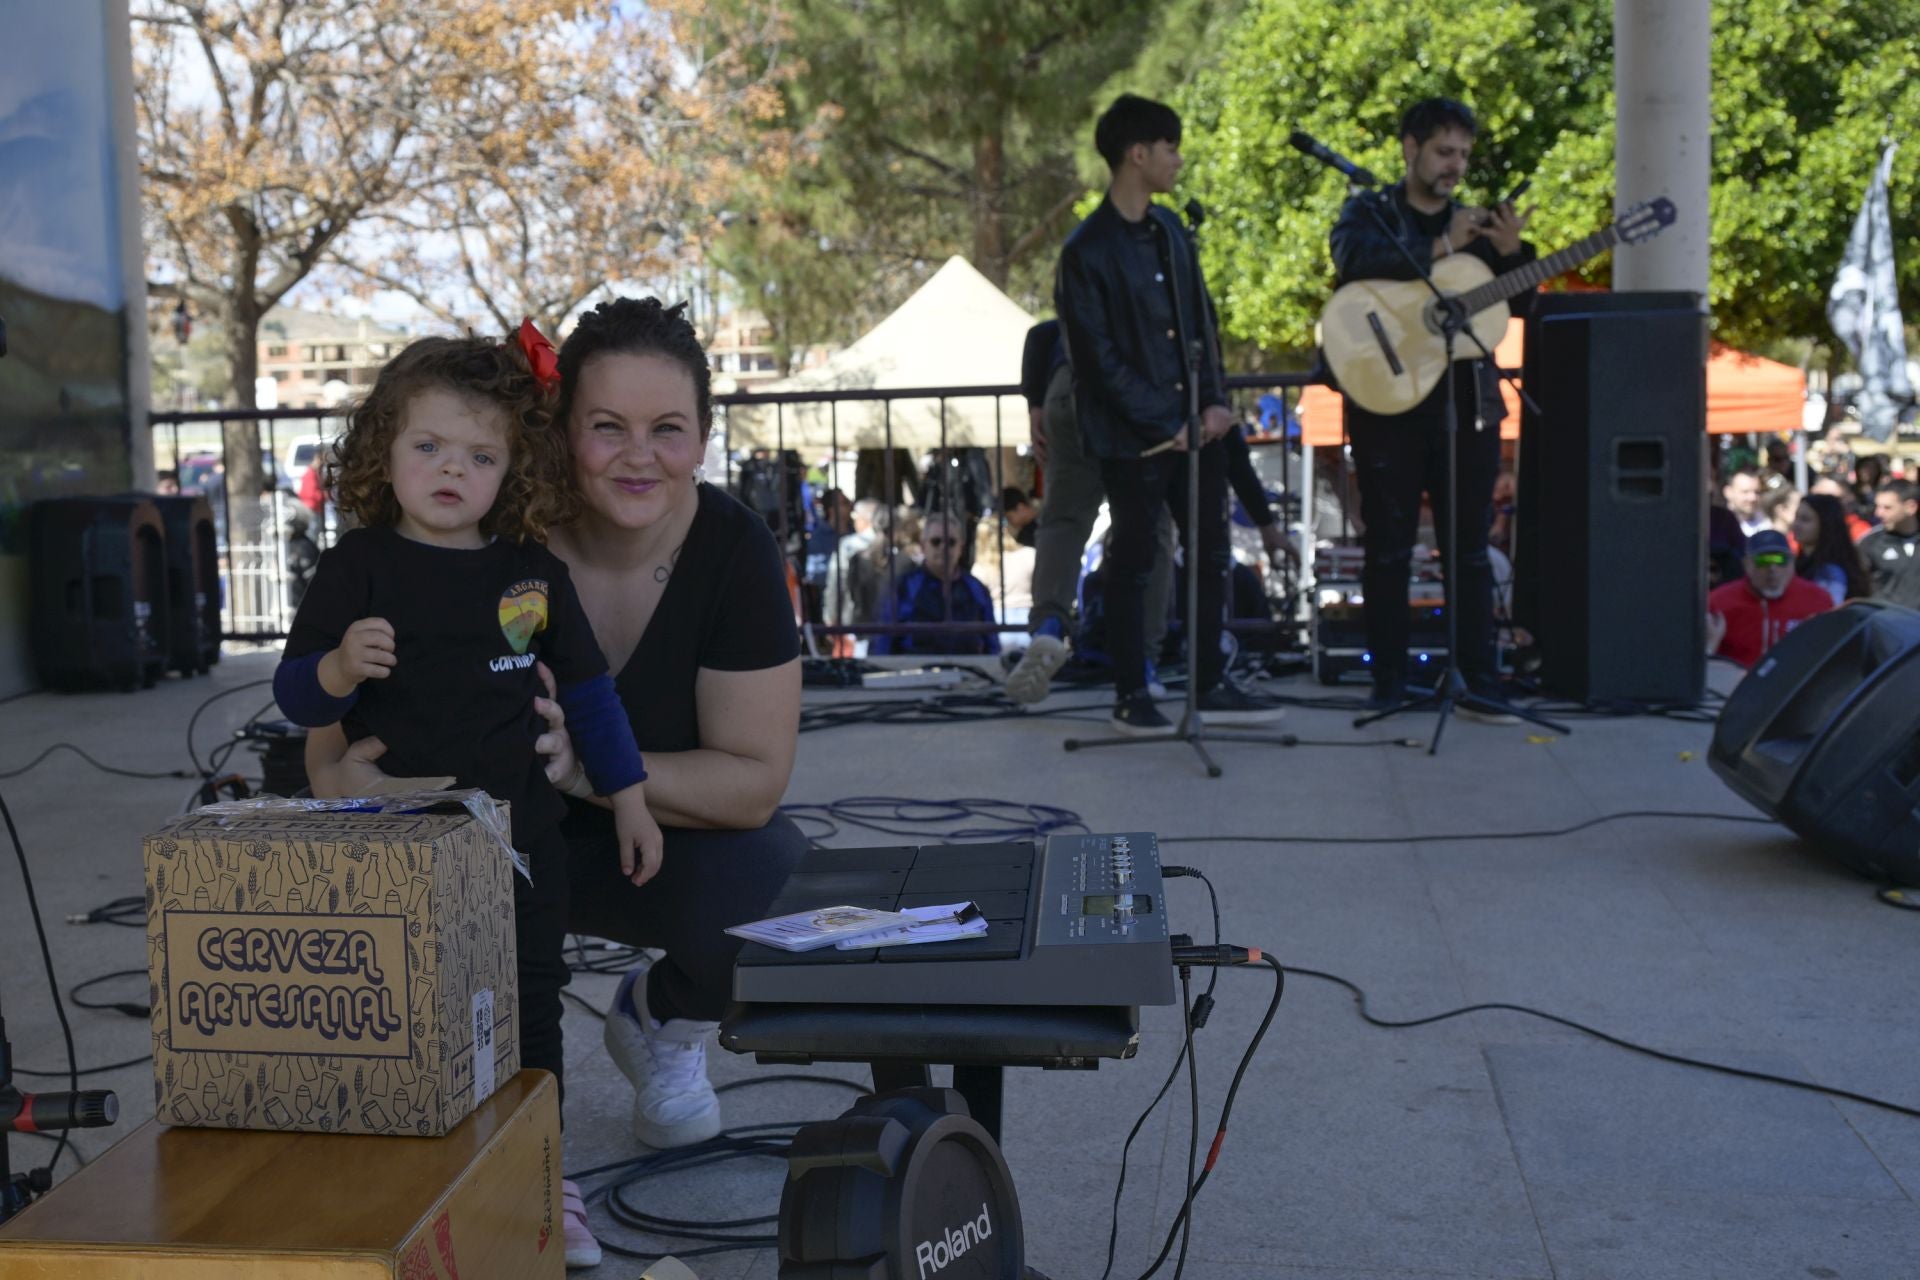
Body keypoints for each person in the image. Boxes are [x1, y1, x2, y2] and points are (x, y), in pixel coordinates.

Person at [305, 298, 807, 1269]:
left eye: (668, 429)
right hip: (471, 821)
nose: (637, 454)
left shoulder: (735, 551)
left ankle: (657, 1020)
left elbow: (753, 783)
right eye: (606, 426)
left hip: (624, 830)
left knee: (776, 883)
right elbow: (344, 656)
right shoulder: (485, 519)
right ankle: (444, 1165)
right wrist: (329, 767)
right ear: (560, 430)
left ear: (702, 435)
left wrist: (593, 772)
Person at [273, 330, 665, 1266]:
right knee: (406, 1014)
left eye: (481, 456)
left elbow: (590, 696)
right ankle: (417, 1187)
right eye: (430, 448)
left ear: (511, 471)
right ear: (384, 452)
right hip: (393, 848)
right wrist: (334, 665)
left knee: (531, 1013)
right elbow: (295, 697)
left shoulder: (529, 575)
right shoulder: (358, 566)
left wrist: (634, 798)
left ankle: (542, 1182)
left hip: (521, 844)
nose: (454, 469)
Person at [1054, 93, 1281, 733]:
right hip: (1135, 441)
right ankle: (1132, 693)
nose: (1179, 160)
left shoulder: (1171, 232)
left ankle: (1208, 680)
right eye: (1171, 148)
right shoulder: (1086, 251)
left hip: (1195, 430)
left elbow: (1201, 324)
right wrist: (1167, 422)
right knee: (1133, 561)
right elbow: (1096, 360)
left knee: (1211, 555)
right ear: (1139, 153)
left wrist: (1212, 403)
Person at [1329, 96, 1536, 718]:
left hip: (1465, 401)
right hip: (1385, 404)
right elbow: (1354, 264)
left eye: (1464, 155)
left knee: (1469, 547)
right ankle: (1388, 680)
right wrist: (1445, 243)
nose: (1456, 166)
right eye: (1445, 152)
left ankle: (1477, 678)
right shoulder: (1371, 212)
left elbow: (1517, 308)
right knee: (1388, 546)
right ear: (1409, 148)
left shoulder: (1478, 224)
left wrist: (1515, 253)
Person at [1006, 316, 1176, 706]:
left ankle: (1048, 625)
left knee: (1063, 521)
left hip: (1071, 383)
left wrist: (1036, 400)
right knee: (1151, 527)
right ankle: (1142, 663)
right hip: (1139, 383)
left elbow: (1041, 332)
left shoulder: (1080, 258)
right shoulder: (1158, 258)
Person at [869, 511, 1001, 656]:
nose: (943, 547)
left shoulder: (976, 589)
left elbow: (991, 643)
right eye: (936, 541)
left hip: (969, 673)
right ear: (923, 545)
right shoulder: (904, 587)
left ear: (961, 548)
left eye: (951, 542)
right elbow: (882, 642)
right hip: (915, 673)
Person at [1707, 529, 1833, 668]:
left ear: (1792, 562)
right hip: (1737, 685)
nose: (1772, 568)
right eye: (1763, 561)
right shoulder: (1719, 602)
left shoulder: (1818, 600)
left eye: (1781, 560)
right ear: (1747, 564)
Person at [1791, 493, 1870, 607]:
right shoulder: (1800, 562)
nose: (1796, 525)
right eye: (1796, 517)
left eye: (1805, 519)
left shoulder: (1831, 572)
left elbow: (1827, 613)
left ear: (1825, 524)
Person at [1860, 479, 1920, 608]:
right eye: (1877, 506)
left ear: (1911, 507)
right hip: (1884, 623)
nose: (1878, 513)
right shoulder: (1870, 543)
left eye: (1887, 508)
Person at [1722, 466, 1769, 538]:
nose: (1753, 498)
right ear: (1728, 492)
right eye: (1745, 492)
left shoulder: (1767, 524)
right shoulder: (1718, 525)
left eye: (1757, 492)